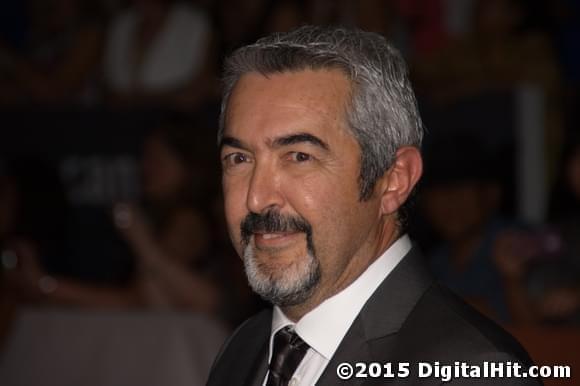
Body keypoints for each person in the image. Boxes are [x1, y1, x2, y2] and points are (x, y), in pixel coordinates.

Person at [206, 26, 539, 385]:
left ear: (394, 179)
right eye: (239, 159)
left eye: (299, 156)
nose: (256, 197)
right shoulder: (245, 348)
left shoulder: (472, 372)